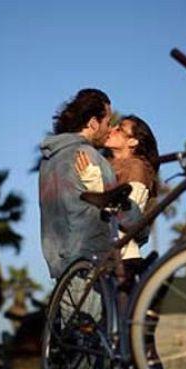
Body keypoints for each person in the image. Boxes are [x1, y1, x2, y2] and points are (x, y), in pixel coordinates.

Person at [39, 88, 142, 280]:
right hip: (91, 262)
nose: (110, 128)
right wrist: (142, 226)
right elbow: (119, 206)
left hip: (61, 265)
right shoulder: (89, 156)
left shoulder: (49, 160)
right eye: (108, 122)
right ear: (93, 123)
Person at [74, 114, 159, 295]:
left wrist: (92, 181)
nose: (111, 129)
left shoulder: (136, 167)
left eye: (120, 129)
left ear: (133, 142)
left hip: (124, 258)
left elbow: (128, 213)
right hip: (101, 254)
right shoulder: (105, 164)